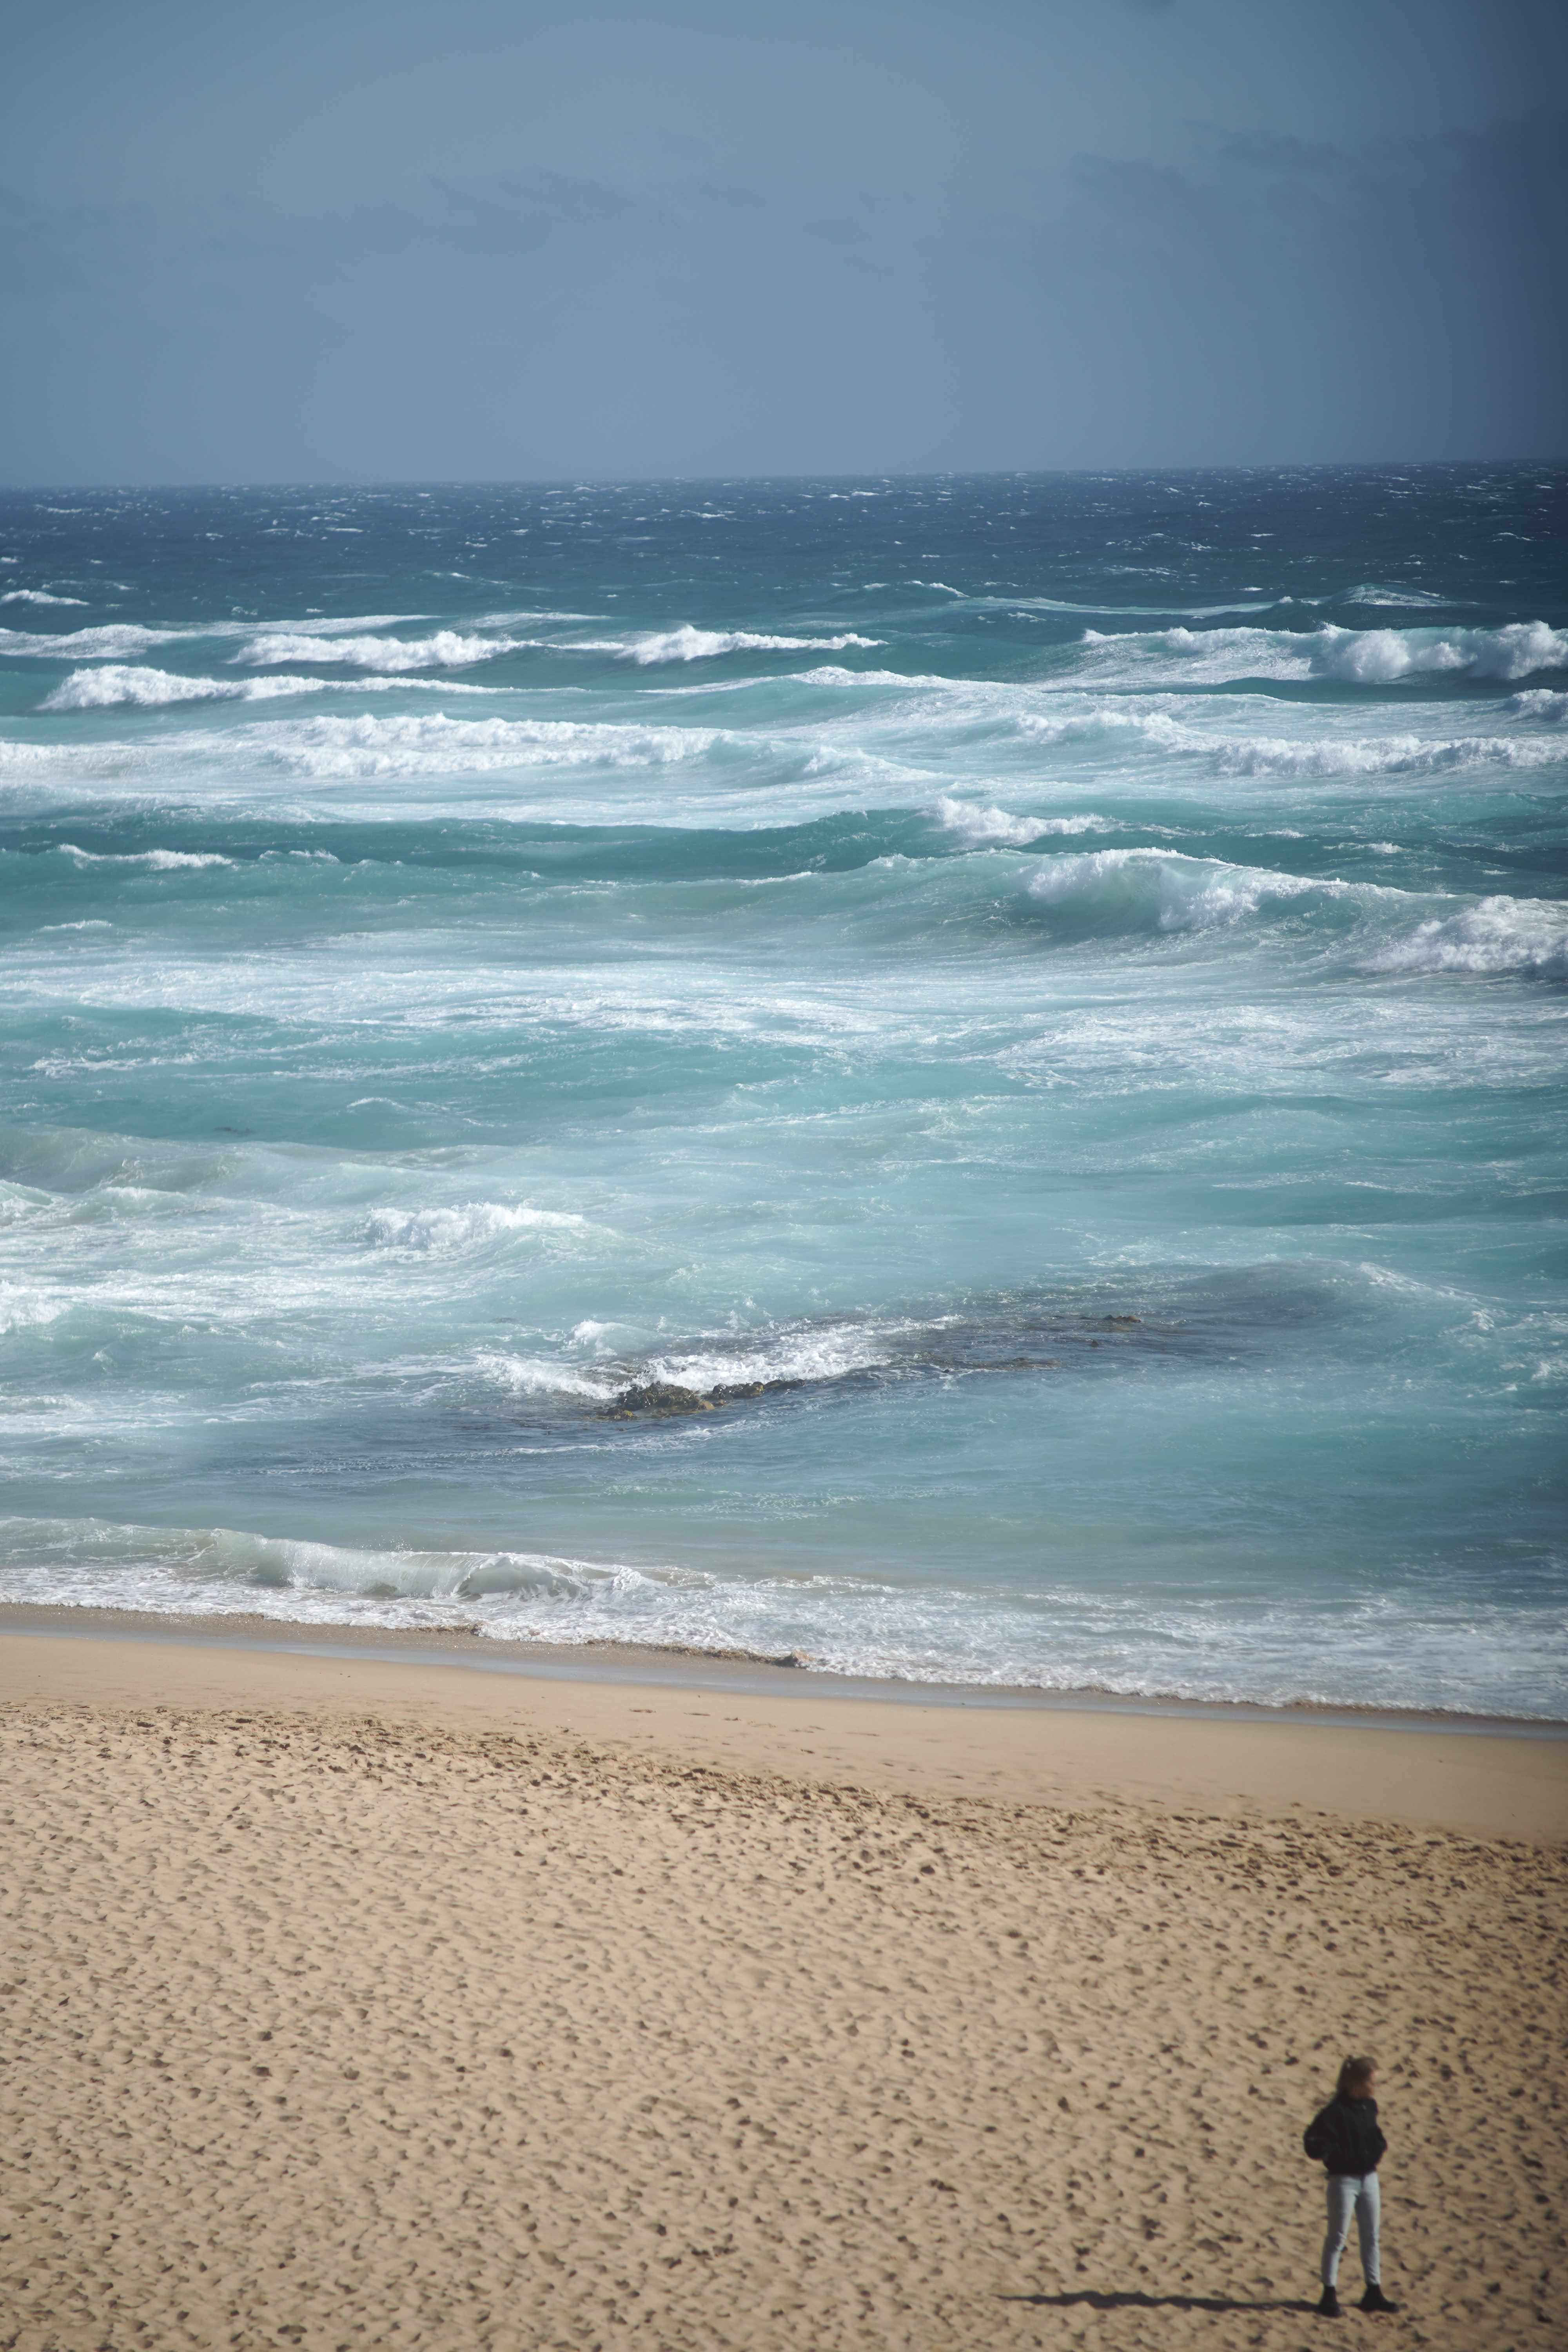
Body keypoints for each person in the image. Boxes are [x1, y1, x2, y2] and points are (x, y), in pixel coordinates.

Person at [1303, 2054, 1401, 2317]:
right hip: (1343, 2182)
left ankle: (1373, 2292)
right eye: (1373, 2082)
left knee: (1371, 2236)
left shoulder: (1370, 2107)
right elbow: (1312, 2142)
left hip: (1370, 2178)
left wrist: (1377, 2151)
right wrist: (1334, 2156)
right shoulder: (1335, 2112)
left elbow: (1376, 2136)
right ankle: (1328, 2295)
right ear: (1357, 2084)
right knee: (1337, 2238)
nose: (1375, 2087)